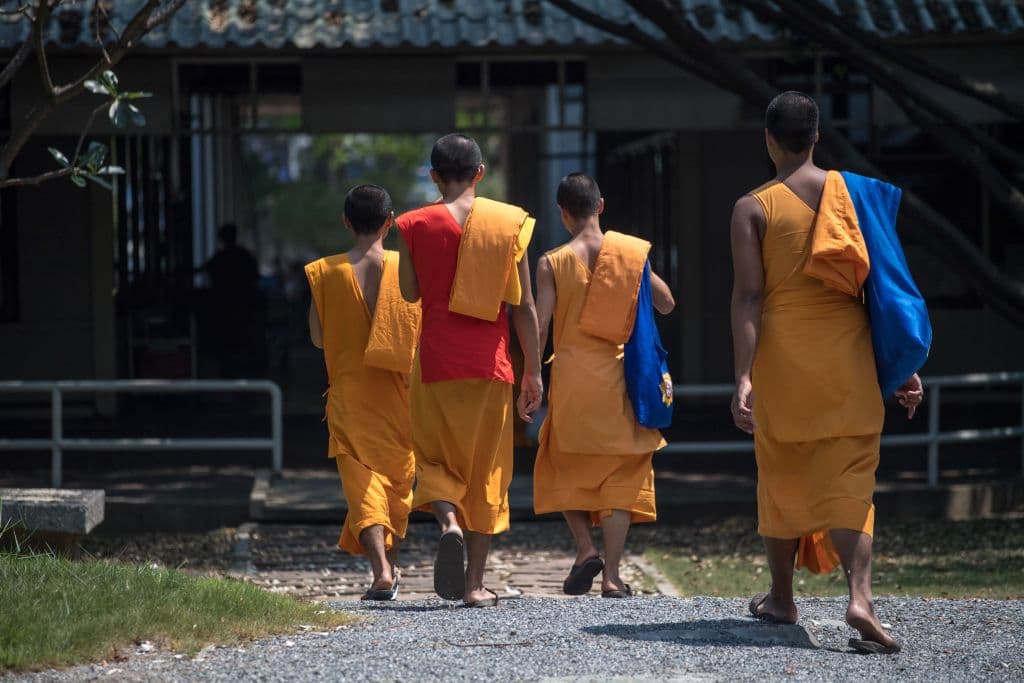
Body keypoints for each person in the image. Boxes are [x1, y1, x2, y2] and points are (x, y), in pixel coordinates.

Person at [729, 91, 924, 653]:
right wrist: (901, 366)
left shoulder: (752, 207)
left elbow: (748, 297)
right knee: (852, 482)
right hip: (849, 356)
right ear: (817, 139)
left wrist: (743, 375)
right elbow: (883, 288)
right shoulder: (854, 195)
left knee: (782, 474)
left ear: (768, 140)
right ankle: (859, 597)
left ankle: (783, 598)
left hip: (783, 360)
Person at [396, 133, 543, 607]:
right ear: (480, 172)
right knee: (487, 472)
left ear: (434, 176)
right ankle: (475, 586)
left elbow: (411, 292)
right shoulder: (507, 224)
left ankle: (448, 521)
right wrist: (535, 372)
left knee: (434, 458)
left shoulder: (415, 223)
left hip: (436, 361)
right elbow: (524, 308)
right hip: (490, 364)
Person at [533, 173, 674, 598]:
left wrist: (530, 378)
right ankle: (612, 576)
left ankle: (584, 547)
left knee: (560, 464)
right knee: (622, 474)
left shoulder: (552, 262)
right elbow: (667, 302)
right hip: (622, 382)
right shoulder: (630, 255)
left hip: (574, 381)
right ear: (600, 205)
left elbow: (540, 326)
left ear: (562, 213)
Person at [305, 185, 421, 601]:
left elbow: (318, 339)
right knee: (396, 485)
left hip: (351, 395)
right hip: (400, 395)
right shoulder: (405, 267)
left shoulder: (325, 272)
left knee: (361, 484)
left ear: (346, 221)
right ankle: (389, 566)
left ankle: (381, 571)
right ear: (390, 221)